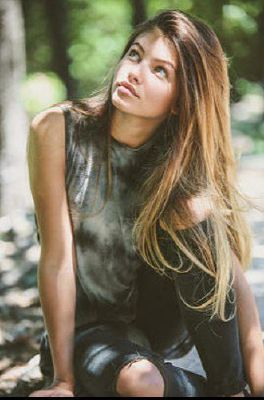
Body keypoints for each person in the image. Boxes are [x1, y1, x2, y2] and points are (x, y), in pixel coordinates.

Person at [26, 9, 264, 397]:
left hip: (162, 324)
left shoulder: (181, 159)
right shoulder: (58, 129)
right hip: (92, 331)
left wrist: (256, 371)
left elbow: (225, 273)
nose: (134, 72)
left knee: (192, 209)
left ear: (179, 100)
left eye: (160, 71)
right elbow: (56, 259)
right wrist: (63, 382)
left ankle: (229, 389)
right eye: (135, 54)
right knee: (143, 383)